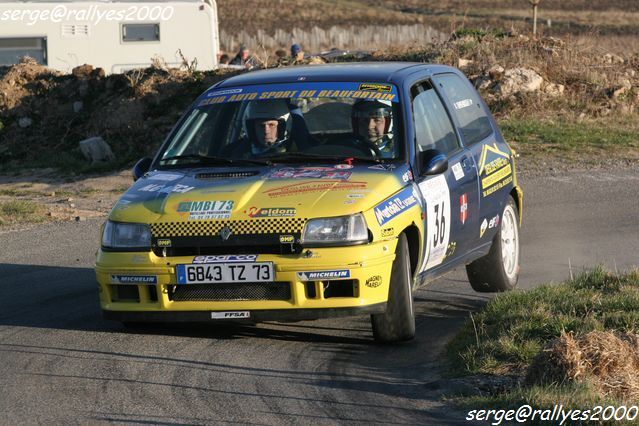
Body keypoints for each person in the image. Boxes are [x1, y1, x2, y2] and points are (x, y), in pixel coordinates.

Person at [224, 100, 295, 157]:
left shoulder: (299, 154)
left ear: (282, 128)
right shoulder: (230, 156)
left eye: (271, 125)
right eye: (261, 125)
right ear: (251, 129)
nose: (266, 131)